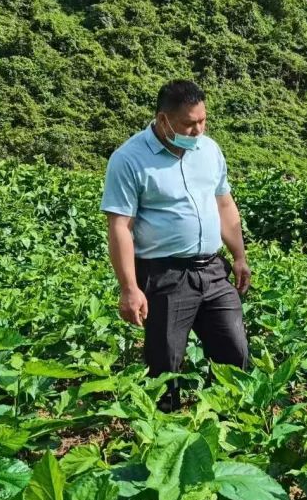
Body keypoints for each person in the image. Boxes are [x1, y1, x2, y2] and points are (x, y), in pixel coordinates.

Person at [101, 79, 250, 411]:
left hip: (211, 269)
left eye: (202, 121)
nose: (198, 130)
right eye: (189, 124)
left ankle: (228, 423)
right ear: (163, 119)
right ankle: (164, 431)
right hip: (164, 275)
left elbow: (224, 203)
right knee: (165, 364)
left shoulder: (209, 150)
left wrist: (239, 255)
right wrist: (129, 288)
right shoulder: (129, 159)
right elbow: (120, 228)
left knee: (235, 352)